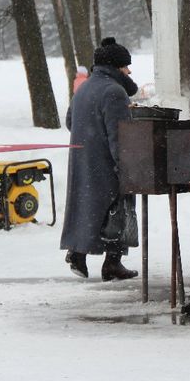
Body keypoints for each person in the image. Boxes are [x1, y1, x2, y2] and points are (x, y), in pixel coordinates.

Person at [62, 37, 140, 281]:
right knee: (117, 211)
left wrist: (90, 138)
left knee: (87, 208)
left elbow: (70, 122)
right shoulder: (114, 92)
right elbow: (120, 137)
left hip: (83, 160)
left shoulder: (84, 88)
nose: (129, 71)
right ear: (116, 67)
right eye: (126, 66)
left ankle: (78, 253)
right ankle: (112, 263)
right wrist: (127, 169)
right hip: (105, 164)